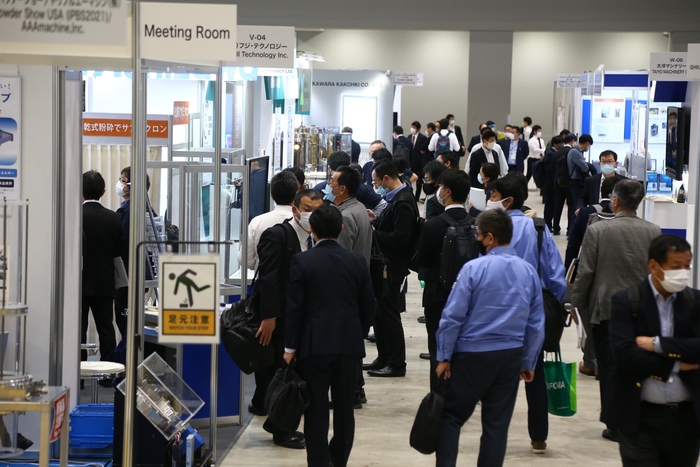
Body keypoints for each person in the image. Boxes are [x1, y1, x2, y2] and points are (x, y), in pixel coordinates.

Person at [435, 209, 545, 467]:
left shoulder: (473, 269)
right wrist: (528, 361)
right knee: (496, 425)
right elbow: (536, 323)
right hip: (510, 356)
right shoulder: (528, 271)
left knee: (451, 417)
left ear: (490, 238)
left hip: (472, 355)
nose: (477, 238)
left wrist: (444, 355)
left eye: (479, 234)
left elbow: (453, 316)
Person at [284, 205, 375, 467]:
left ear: (312, 229)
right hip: (348, 344)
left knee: (316, 407)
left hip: (314, 346)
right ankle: (339, 459)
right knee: (345, 407)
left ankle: (319, 461)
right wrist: (358, 332)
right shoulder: (356, 261)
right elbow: (369, 304)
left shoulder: (302, 261)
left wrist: (290, 347)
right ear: (342, 229)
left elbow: (295, 308)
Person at [572, 179, 661, 443]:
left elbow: (586, 273)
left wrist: (577, 305)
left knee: (610, 368)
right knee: (638, 367)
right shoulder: (654, 231)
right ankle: (637, 418)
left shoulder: (598, 230)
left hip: (606, 310)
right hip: (643, 311)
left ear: (615, 201)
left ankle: (615, 424)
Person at [487, 173, 567, 454]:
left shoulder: (491, 229)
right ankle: (539, 437)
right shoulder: (538, 228)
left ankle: (494, 435)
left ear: (507, 200)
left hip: (497, 309)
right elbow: (556, 276)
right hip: (534, 310)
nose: (490, 200)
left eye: (494, 196)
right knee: (536, 371)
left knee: (498, 373)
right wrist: (553, 305)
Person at [608, 235, 700, 467]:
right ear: (654, 266)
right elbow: (625, 355)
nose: (683, 272)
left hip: (686, 420)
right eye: (676, 266)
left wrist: (658, 345)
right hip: (639, 419)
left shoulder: (694, 302)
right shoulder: (626, 301)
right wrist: (676, 365)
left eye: (686, 266)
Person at [249, 189, 324, 449]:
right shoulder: (278, 235)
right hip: (280, 319)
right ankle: (281, 430)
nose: (312, 216)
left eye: (317, 210)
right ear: (295, 210)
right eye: (307, 210)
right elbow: (268, 278)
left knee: (294, 372)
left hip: (304, 319)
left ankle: (280, 422)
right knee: (281, 373)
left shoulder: (315, 238)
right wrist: (269, 316)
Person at [416, 169, 474, 393]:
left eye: (440, 187)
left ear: (447, 192)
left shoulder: (433, 225)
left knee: (437, 348)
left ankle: (439, 396)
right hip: (469, 296)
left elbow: (422, 260)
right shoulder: (476, 225)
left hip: (438, 295)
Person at [364, 161, 419, 377]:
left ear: (386, 178)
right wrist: (377, 220)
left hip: (392, 267)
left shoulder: (403, 201)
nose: (376, 186)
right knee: (379, 314)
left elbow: (400, 238)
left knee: (389, 315)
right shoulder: (396, 198)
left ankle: (396, 363)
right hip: (384, 265)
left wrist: (374, 232)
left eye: (377, 182)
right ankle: (383, 357)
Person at [82, 170, 123, 363]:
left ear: (80, 191)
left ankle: (78, 370)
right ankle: (109, 370)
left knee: (78, 329)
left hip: (78, 283)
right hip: (105, 283)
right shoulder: (114, 218)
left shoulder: (73, 216)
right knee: (106, 328)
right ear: (103, 191)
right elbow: (119, 255)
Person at [241, 170, 298, 271]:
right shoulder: (301, 221)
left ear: (271, 196)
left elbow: (245, 260)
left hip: (264, 278)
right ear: (296, 194)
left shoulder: (257, 222)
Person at [565, 176, 620, 270]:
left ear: (601, 192)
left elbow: (572, 247)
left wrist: (568, 272)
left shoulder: (584, 213)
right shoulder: (624, 216)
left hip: (589, 266)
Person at [314, 151, 387, 217]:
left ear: (342, 189)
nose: (329, 186)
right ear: (349, 166)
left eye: (331, 182)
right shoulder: (362, 188)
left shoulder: (318, 188)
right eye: (330, 182)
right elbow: (382, 205)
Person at [566, 134, 594, 228]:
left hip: (576, 181)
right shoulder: (575, 152)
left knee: (575, 206)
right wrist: (586, 166)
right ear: (587, 143)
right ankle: (573, 228)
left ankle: (572, 228)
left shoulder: (577, 152)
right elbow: (585, 167)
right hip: (575, 182)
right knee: (576, 206)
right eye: (589, 145)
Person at [551, 133, 577, 235]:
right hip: (570, 183)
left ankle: (556, 227)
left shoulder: (557, 152)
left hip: (558, 183)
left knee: (558, 206)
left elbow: (552, 168)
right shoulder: (572, 152)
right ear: (572, 141)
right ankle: (569, 229)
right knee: (571, 206)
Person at [542, 136, 563, 232]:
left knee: (552, 205)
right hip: (550, 184)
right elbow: (549, 170)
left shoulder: (553, 152)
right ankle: (547, 224)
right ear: (555, 144)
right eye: (560, 143)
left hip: (551, 183)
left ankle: (549, 224)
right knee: (550, 205)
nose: (561, 145)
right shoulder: (550, 153)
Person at [408, 120, 430, 202]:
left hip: (419, 162)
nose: (412, 129)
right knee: (409, 180)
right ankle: (410, 195)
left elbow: (424, 150)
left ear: (418, 128)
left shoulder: (423, 138)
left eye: (414, 127)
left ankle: (417, 197)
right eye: (412, 127)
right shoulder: (409, 137)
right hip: (411, 162)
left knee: (419, 182)